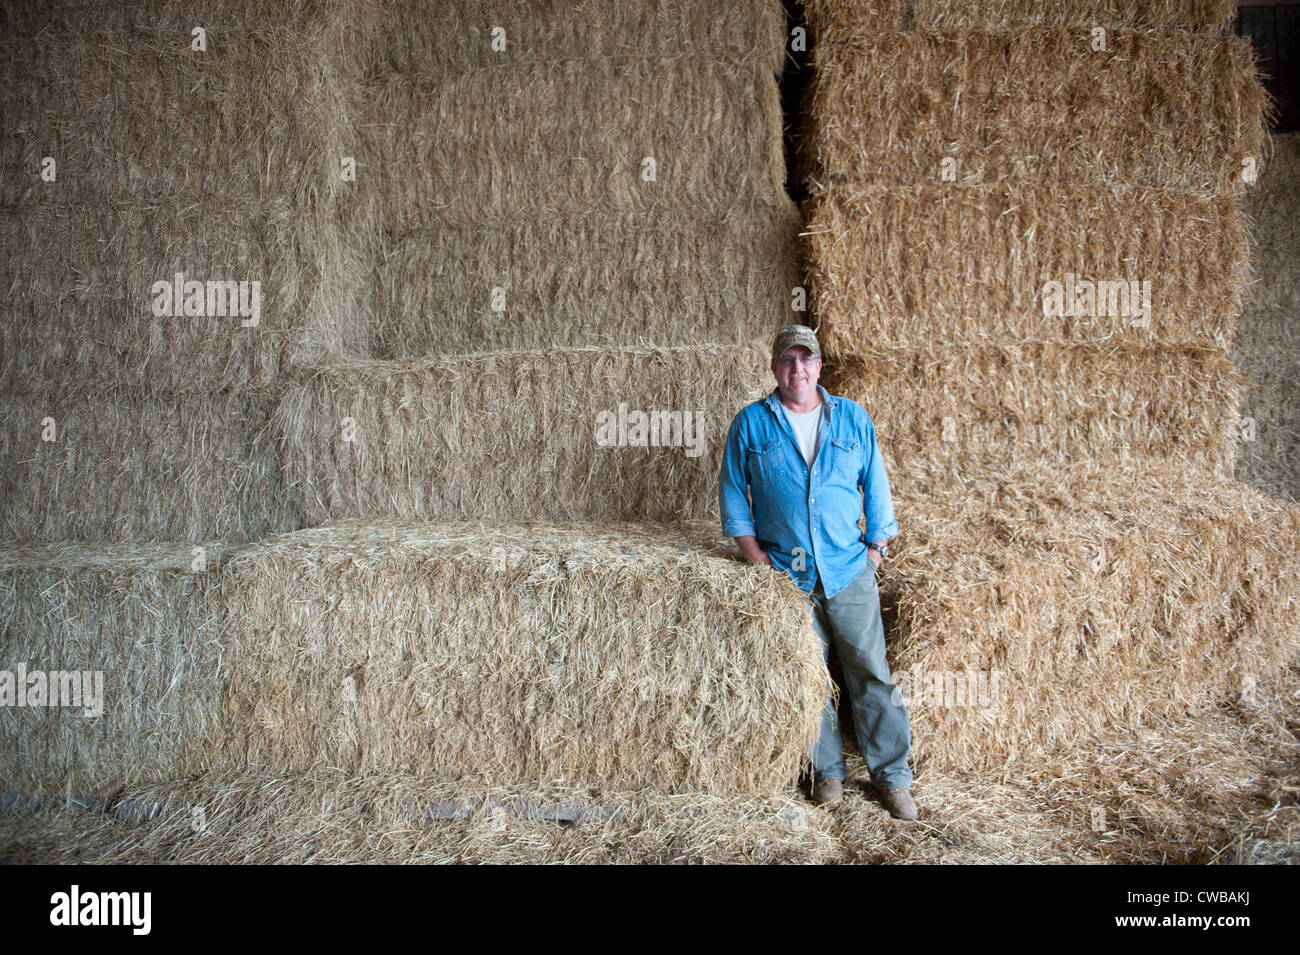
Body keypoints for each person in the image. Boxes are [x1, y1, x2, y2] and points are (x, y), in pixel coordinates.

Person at [718, 325, 917, 820]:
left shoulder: (852, 419)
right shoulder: (751, 424)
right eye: (788, 360)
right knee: (809, 679)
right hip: (788, 577)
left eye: (806, 360)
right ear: (774, 368)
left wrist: (876, 549)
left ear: (819, 366)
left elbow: (876, 486)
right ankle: (827, 773)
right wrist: (755, 558)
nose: (797, 369)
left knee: (870, 674)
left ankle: (891, 778)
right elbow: (731, 497)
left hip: (848, 570)